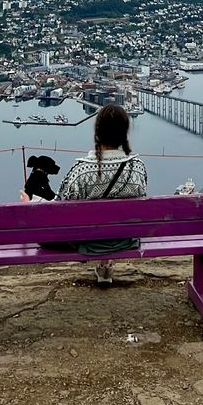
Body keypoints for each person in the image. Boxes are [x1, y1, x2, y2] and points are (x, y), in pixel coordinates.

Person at [56, 103, 147, 284]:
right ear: (124, 133)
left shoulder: (81, 171)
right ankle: (106, 263)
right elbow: (141, 202)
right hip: (126, 239)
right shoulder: (137, 168)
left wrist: (30, 202)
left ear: (97, 132)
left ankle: (103, 262)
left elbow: (59, 209)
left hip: (89, 242)